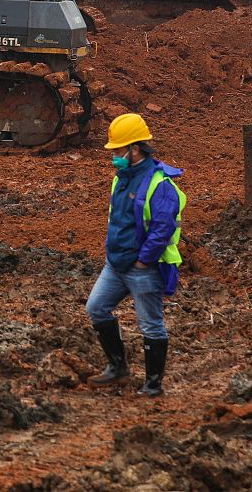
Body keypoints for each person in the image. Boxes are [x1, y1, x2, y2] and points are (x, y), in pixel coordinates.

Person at [86, 112, 187, 397]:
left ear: (135, 149)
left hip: (143, 267)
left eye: (118, 150)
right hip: (116, 263)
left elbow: (163, 227)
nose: (114, 156)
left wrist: (144, 259)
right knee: (96, 307)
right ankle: (118, 367)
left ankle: (153, 385)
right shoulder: (120, 178)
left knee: (151, 325)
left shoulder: (159, 183)